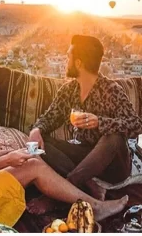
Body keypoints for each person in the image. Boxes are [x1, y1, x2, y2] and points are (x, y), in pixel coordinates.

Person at [0, 51, 128, 229]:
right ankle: (94, 206)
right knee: (34, 165)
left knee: (30, 156)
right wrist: (6, 160)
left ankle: (81, 195)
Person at [27, 36, 141, 213]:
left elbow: (135, 124)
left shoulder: (111, 90)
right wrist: (37, 130)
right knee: (44, 143)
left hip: (114, 165)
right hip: (86, 157)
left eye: (68, 57)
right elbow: (50, 117)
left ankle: (57, 195)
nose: (66, 61)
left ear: (78, 63)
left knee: (113, 137)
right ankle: (90, 185)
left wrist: (100, 122)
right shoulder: (68, 90)